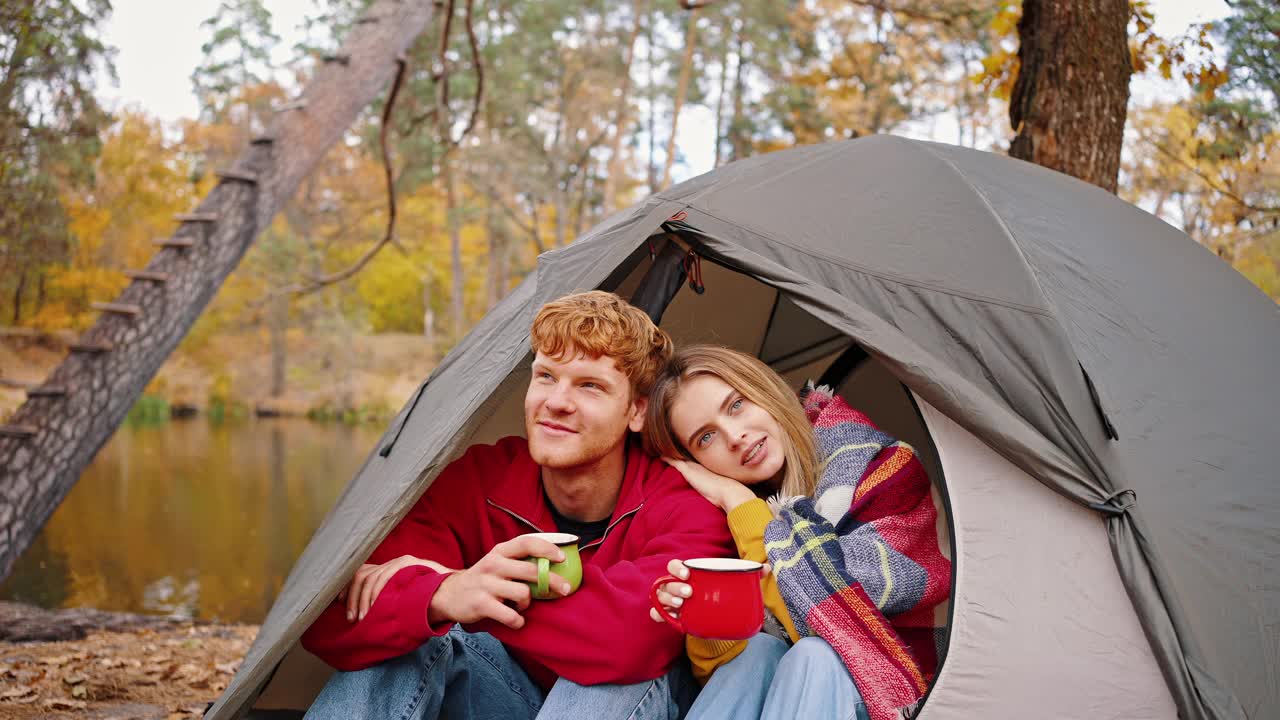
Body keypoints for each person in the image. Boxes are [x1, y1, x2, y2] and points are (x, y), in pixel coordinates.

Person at [300, 292, 736, 720]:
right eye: (545, 376)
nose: (556, 402)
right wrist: (441, 598)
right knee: (407, 638)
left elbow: (633, 640)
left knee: (613, 680)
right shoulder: (480, 477)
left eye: (589, 386)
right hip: (506, 693)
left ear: (637, 411)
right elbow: (329, 617)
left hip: (627, 705)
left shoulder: (684, 501)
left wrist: (460, 587)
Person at [644, 345, 951, 720]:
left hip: (904, 682)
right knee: (755, 654)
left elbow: (825, 619)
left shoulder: (883, 470)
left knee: (816, 655)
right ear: (698, 463)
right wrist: (703, 620)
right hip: (799, 699)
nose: (735, 436)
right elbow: (716, 673)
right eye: (705, 438)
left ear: (764, 389)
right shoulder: (730, 517)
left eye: (736, 405)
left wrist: (740, 503)